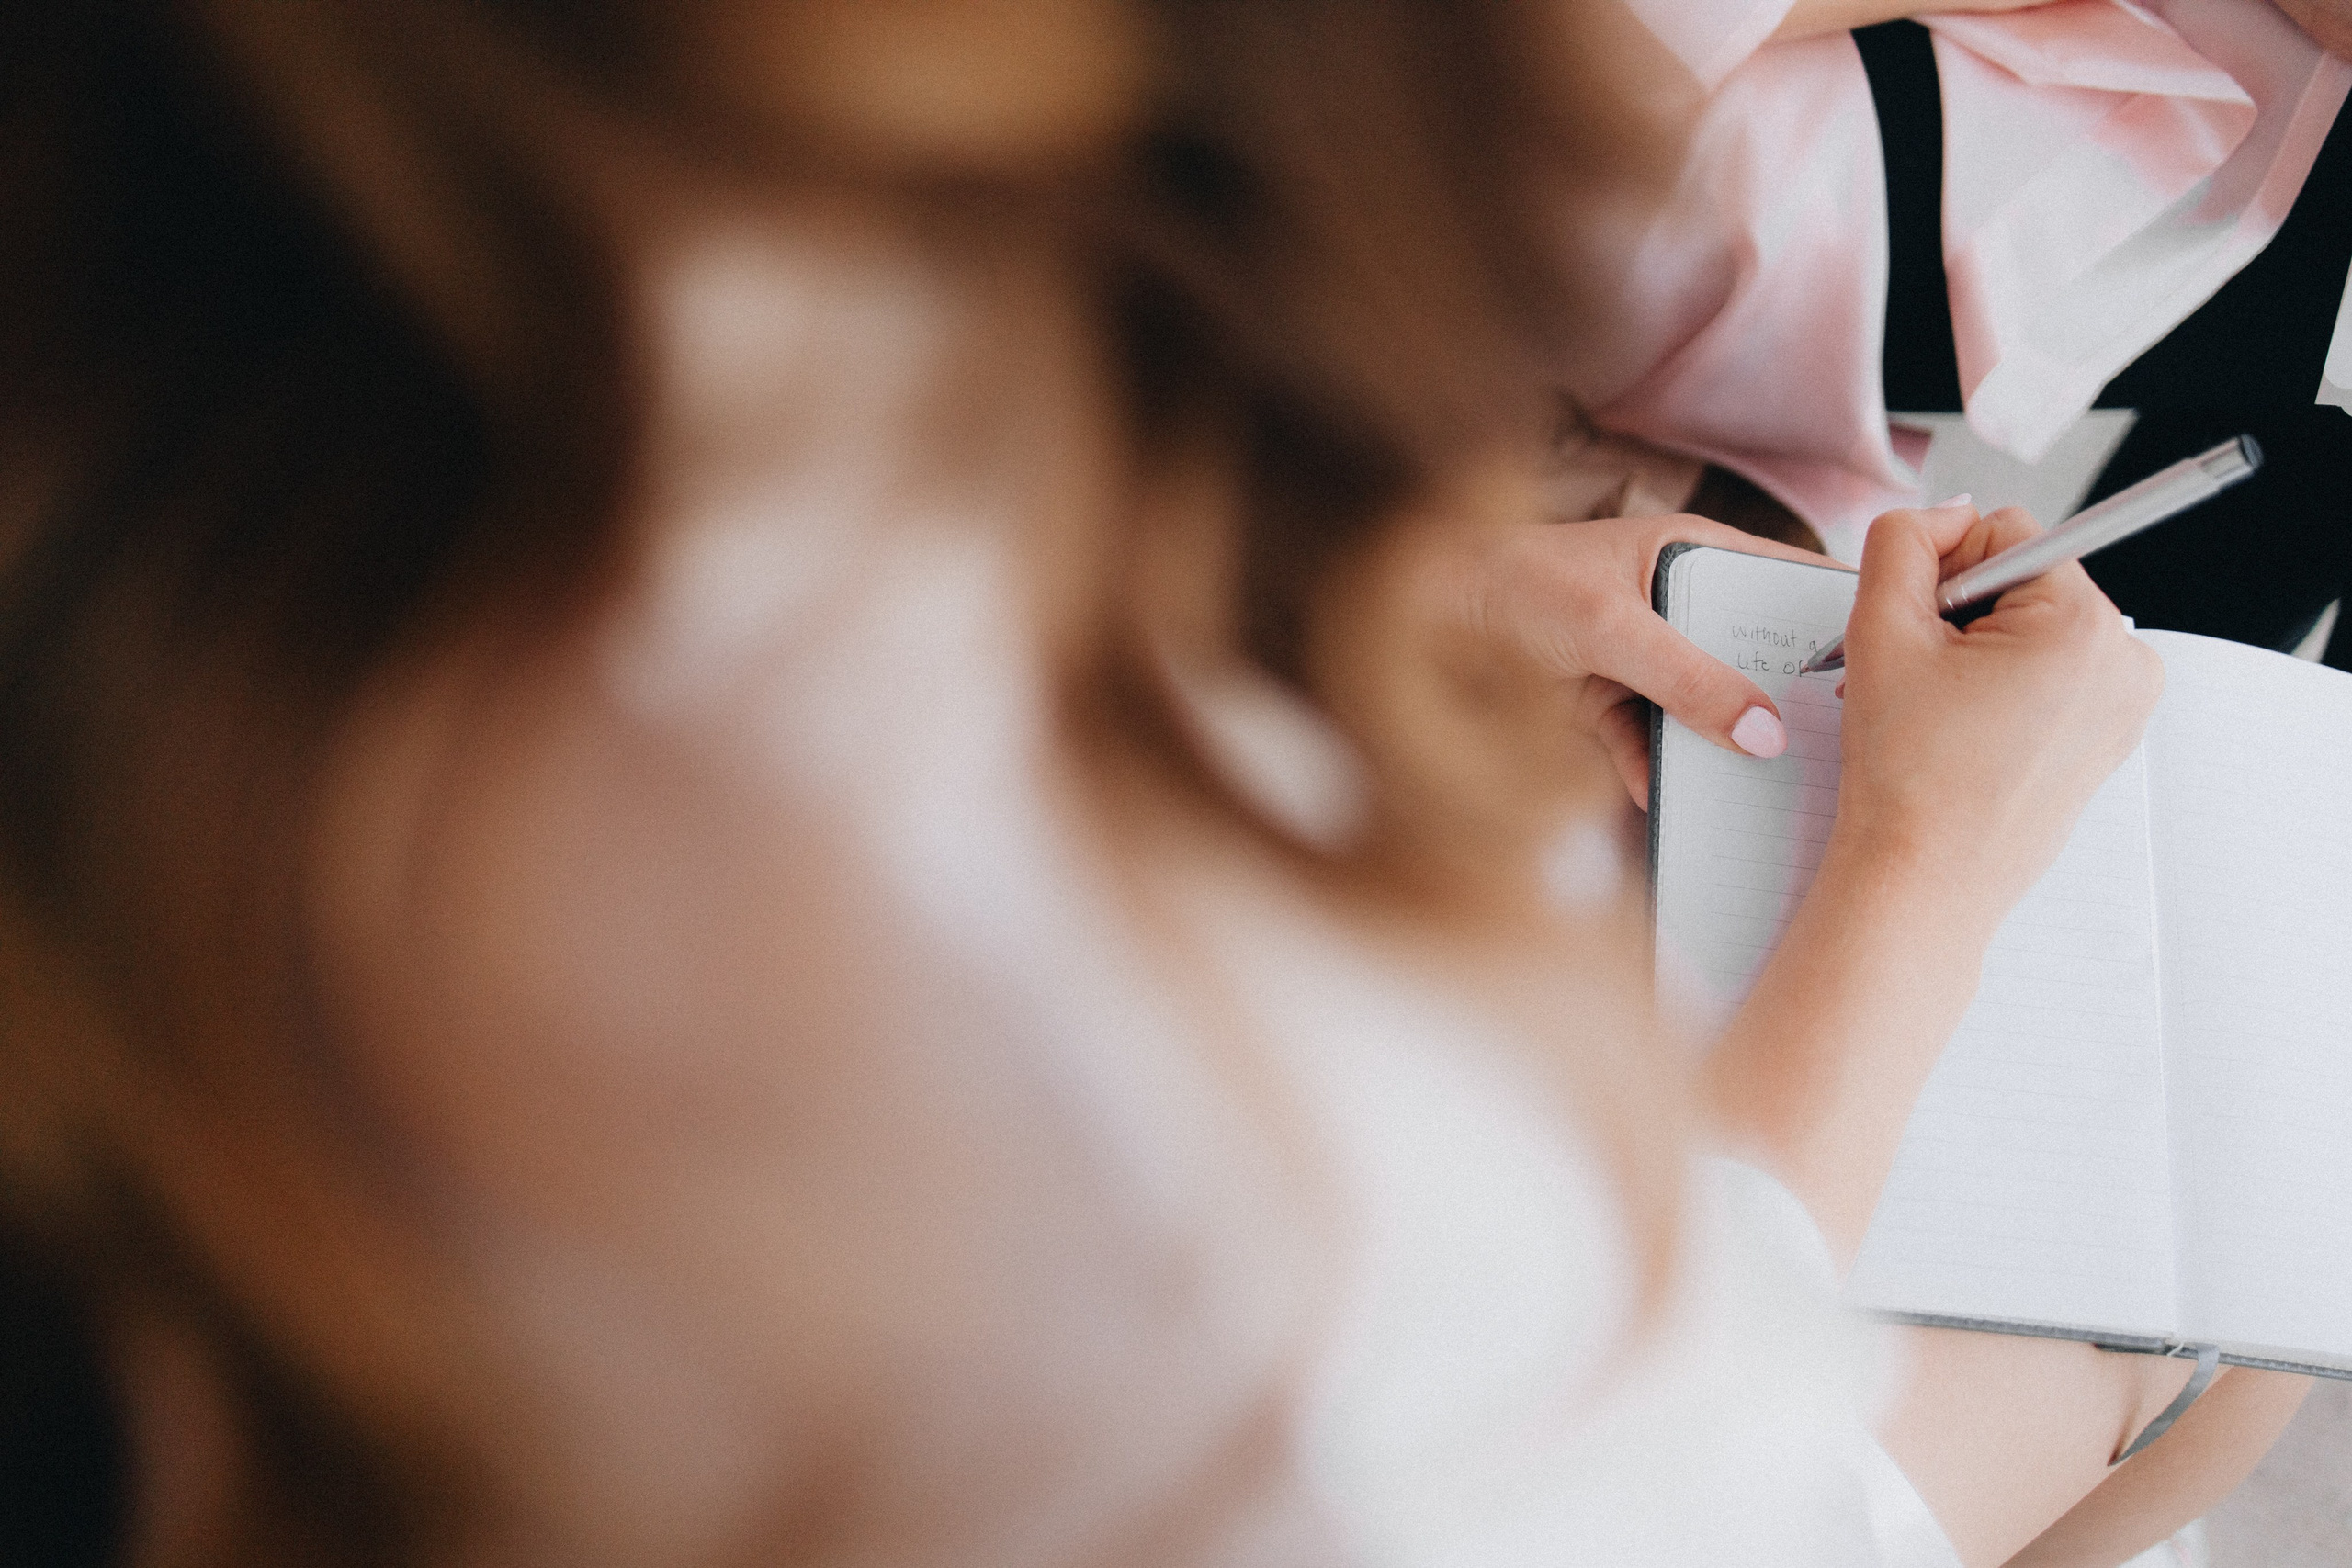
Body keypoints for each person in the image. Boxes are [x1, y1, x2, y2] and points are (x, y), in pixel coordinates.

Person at [0, 3, 2309, 1566]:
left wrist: (1409, 601)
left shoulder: (430, 396)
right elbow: (1629, 1492)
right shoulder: (1042, 1036)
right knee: (2162, 1360)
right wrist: (1914, 872)